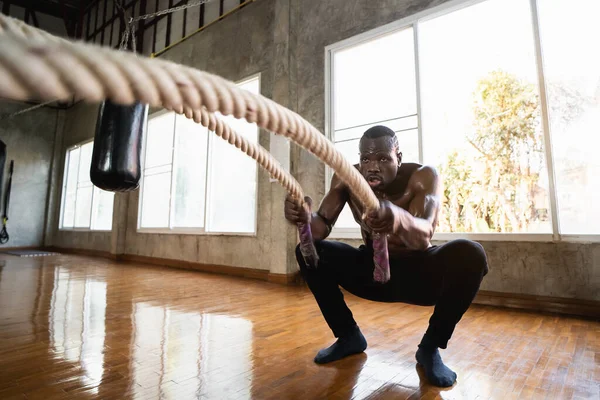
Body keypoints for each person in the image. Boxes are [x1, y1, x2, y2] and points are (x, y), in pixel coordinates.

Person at [284, 125, 488, 387]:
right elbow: (321, 224)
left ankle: (429, 348)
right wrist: (303, 219)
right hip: (372, 274)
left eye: (382, 158)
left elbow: (424, 234)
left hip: (418, 275)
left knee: (471, 253)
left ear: (398, 159)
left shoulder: (423, 177)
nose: (372, 167)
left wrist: (398, 218)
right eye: (366, 159)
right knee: (308, 251)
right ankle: (348, 336)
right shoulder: (348, 177)